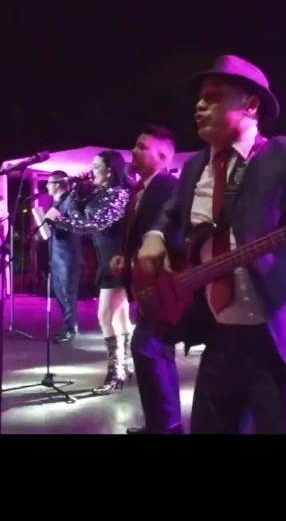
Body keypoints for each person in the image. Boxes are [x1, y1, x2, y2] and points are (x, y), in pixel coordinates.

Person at [136, 55, 286, 434]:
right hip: (218, 337)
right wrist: (154, 238)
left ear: (251, 105)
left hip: (278, 342)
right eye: (199, 99)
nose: (199, 106)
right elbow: (169, 215)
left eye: (213, 97)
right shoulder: (194, 168)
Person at [110, 125, 181, 433]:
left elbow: (171, 235)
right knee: (156, 352)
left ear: (162, 156)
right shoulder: (142, 188)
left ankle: (164, 425)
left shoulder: (167, 187)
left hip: (162, 287)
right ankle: (164, 423)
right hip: (145, 285)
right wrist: (125, 262)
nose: (133, 150)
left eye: (142, 146)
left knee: (147, 348)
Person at [45, 151, 133, 393]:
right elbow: (79, 215)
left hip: (116, 259)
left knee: (105, 315)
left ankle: (116, 373)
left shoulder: (119, 193)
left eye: (96, 166)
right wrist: (76, 190)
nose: (91, 170)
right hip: (108, 258)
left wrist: (58, 220)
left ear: (110, 170)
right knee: (120, 315)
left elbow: (94, 225)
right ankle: (124, 366)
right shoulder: (100, 192)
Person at [42, 171, 82, 342]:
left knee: (67, 293)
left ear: (58, 184)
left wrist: (57, 219)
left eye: (49, 183)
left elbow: (77, 224)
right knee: (59, 292)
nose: (46, 186)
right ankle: (68, 326)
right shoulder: (57, 201)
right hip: (57, 254)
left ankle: (70, 329)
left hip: (68, 255)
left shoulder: (69, 200)